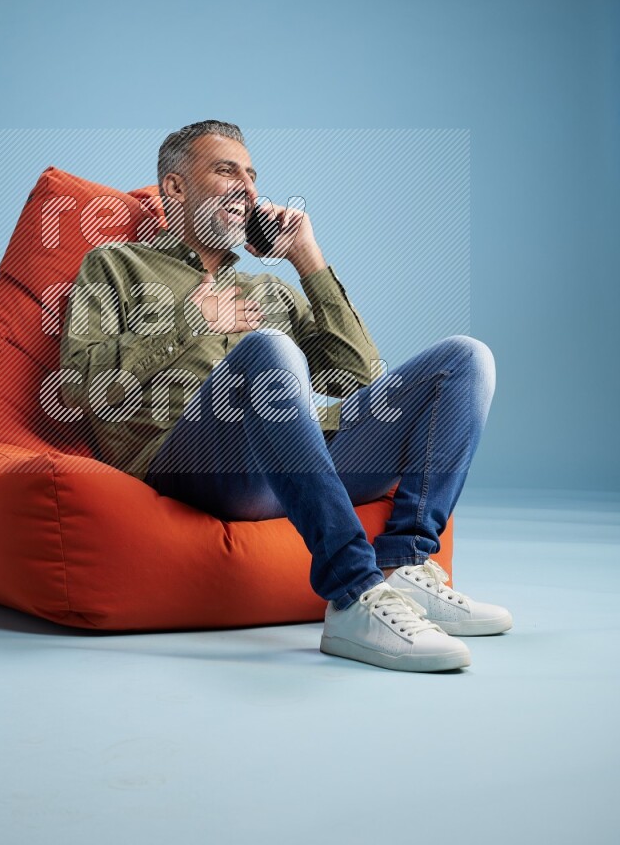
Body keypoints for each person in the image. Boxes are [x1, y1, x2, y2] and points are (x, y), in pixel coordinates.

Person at [59, 120, 511, 672]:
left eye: (252, 176)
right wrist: (188, 320)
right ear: (176, 188)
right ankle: (352, 595)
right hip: (193, 461)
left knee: (464, 360)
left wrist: (307, 259)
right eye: (226, 170)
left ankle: (406, 565)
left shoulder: (268, 290)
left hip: (299, 465)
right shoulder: (116, 265)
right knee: (270, 349)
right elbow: (78, 382)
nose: (247, 187)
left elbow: (363, 383)